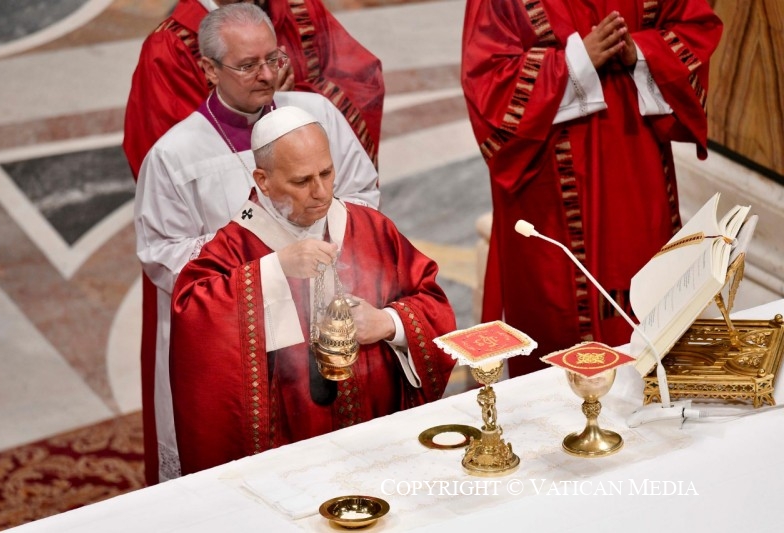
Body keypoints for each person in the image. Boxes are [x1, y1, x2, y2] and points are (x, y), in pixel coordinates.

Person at [134, 3, 380, 483]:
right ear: (209, 69)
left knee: (333, 461)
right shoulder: (175, 156)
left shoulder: (316, 115)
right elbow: (162, 254)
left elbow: (363, 195)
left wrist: (316, 228)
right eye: (247, 65)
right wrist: (266, 264)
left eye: (273, 59)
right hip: (234, 338)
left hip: (322, 312)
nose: (267, 75)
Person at [168, 106, 457, 474]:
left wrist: (387, 323)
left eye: (326, 173)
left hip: (379, 435)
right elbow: (193, 319)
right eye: (302, 181)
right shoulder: (234, 248)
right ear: (263, 180)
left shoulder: (369, 227)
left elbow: (433, 303)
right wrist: (272, 271)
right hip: (292, 454)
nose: (321, 193)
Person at [461, 1, 722, 376]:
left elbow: (693, 26)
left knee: (649, 315)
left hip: (636, 166)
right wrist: (576, 62)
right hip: (550, 186)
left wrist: (641, 52)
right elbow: (487, 78)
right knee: (559, 349)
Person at [123, 0, 383, 179]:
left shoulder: (299, 9)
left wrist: (292, 102)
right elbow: (175, 163)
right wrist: (255, 110)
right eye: (247, 65)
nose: (267, 74)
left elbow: (362, 84)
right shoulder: (169, 50)